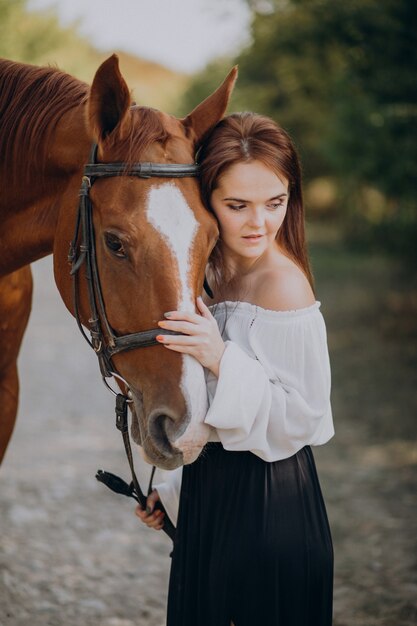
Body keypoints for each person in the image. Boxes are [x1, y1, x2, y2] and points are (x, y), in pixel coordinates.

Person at [136, 112, 334, 626]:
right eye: (237, 205)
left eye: (275, 203)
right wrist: (174, 492)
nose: (259, 223)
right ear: (207, 201)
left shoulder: (285, 286)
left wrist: (220, 357)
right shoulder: (211, 276)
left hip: (271, 511)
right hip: (211, 501)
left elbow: (301, 419)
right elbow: (216, 415)